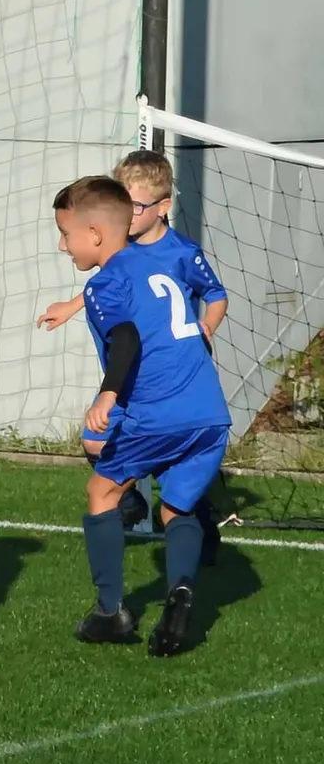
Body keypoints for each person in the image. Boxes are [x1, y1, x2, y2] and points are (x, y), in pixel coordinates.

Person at [51, 176, 231, 657]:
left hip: (159, 412)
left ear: (94, 234)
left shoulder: (103, 283)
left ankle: (110, 612)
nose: (62, 245)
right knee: (177, 509)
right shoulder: (157, 264)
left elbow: (127, 337)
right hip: (209, 413)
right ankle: (182, 590)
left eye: (66, 234)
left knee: (101, 492)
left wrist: (107, 395)